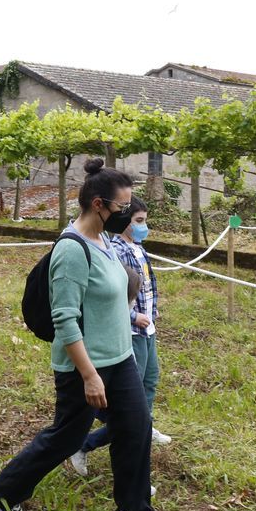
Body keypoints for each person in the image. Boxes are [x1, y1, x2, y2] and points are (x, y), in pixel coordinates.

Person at [0, 159, 176, 511]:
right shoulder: (71, 249)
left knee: (136, 428)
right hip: (84, 365)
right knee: (67, 437)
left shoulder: (105, 239)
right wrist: (89, 375)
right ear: (99, 204)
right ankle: (2, 494)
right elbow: (66, 319)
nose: (128, 214)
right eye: (123, 207)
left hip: (119, 358)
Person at [70, 197, 171, 478]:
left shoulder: (138, 249)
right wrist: (132, 317)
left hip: (147, 331)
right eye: (138, 221)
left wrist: (152, 311)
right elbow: (108, 298)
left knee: (149, 381)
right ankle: (85, 443)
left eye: (144, 221)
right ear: (124, 220)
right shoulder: (114, 250)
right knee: (128, 404)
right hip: (130, 333)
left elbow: (146, 286)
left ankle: (144, 426)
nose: (143, 227)